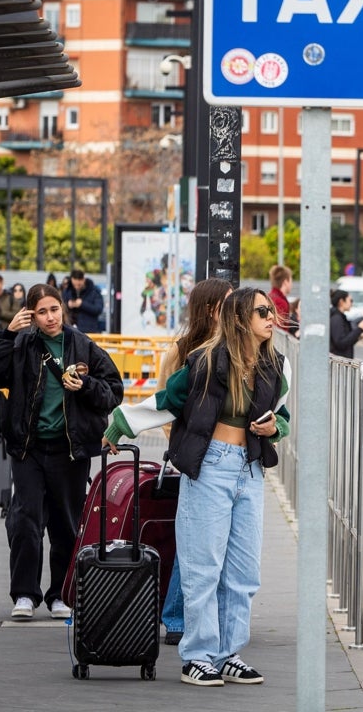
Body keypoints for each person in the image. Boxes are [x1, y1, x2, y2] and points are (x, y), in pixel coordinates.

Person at [103, 287, 290, 687]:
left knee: (243, 572)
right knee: (203, 566)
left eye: (271, 310)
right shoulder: (205, 360)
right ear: (240, 317)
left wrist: (275, 427)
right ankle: (197, 656)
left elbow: (284, 415)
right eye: (262, 311)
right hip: (210, 467)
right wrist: (120, 424)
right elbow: (167, 400)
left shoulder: (275, 364)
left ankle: (228, 653)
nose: (271, 317)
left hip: (250, 469)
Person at [0, 283, 123, 621]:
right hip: (28, 448)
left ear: (62, 309)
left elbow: (114, 390)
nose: (50, 317)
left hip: (70, 451)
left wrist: (85, 386)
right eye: (41, 312)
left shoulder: (82, 345)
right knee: (26, 520)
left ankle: (61, 593)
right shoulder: (22, 344)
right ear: (30, 315)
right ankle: (25, 593)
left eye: (54, 309)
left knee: (66, 525)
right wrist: (5, 335)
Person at [149, 277, 233, 647]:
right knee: (196, 543)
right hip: (197, 458)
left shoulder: (236, 345)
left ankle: (194, 617)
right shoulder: (184, 351)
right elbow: (165, 402)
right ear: (212, 309)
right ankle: (178, 617)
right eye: (229, 302)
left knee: (214, 545)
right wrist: (185, 449)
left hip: (230, 456)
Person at [329, 289, 363, 358]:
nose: (351, 303)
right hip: (339, 362)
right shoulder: (336, 318)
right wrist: (359, 329)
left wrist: (357, 336)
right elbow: (341, 343)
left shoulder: (340, 317)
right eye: (350, 300)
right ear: (341, 301)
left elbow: (346, 342)